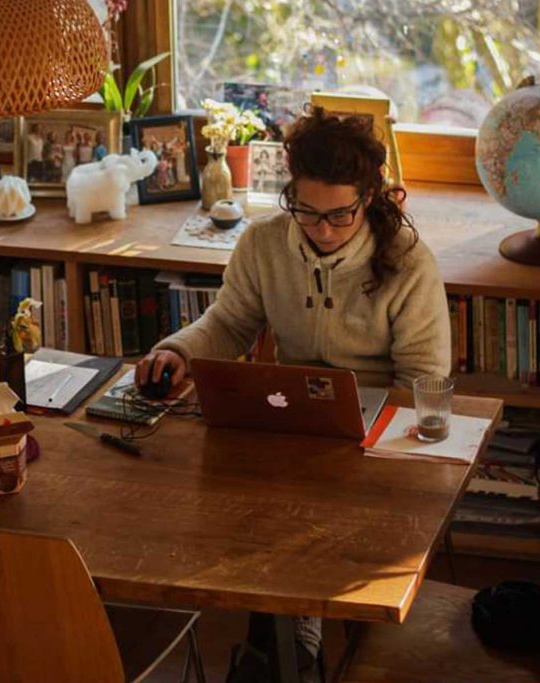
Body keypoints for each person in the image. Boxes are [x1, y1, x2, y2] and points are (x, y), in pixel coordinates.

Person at [135, 106, 450, 682]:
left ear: (371, 198)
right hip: (289, 421)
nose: (322, 229)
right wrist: (177, 351)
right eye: (306, 212)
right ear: (290, 194)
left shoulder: (408, 264)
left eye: (340, 216)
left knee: (320, 523)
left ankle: (301, 631)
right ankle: (287, 632)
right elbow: (229, 324)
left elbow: (422, 379)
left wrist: (369, 434)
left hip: (374, 436)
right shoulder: (263, 244)